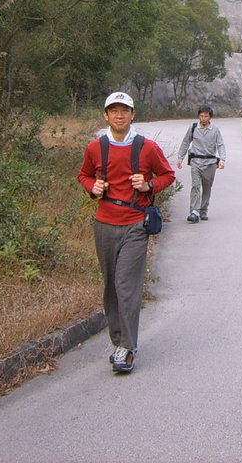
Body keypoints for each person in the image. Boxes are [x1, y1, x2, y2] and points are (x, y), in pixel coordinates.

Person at [78, 91, 175, 374]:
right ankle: (118, 341)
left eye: (124, 110)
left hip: (135, 224)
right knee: (110, 286)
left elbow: (168, 175)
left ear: (133, 115)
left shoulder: (147, 148)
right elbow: (84, 174)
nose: (119, 115)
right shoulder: (96, 148)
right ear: (106, 115)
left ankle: (127, 348)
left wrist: (148, 185)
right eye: (114, 110)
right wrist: (92, 187)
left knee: (126, 286)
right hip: (104, 223)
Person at [177, 105, 227, 223]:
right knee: (195, 186)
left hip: (210, 163)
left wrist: (222, 160)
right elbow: (186, 142)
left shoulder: (215, 130)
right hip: (196, 162)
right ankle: (194, 211)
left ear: (210, 117)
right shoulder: (193, 128)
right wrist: (180, 157)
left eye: (206, 116)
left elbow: (220, 145)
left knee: (207, 187)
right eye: (201, 116)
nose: (203, 118)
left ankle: (203, 210)